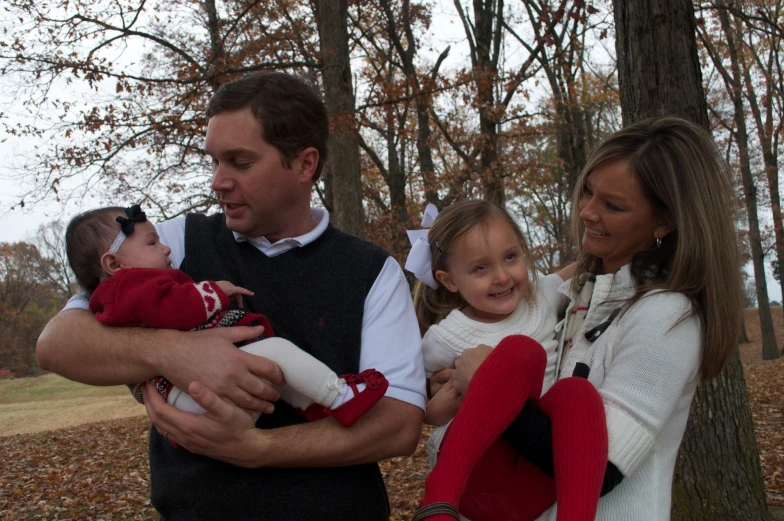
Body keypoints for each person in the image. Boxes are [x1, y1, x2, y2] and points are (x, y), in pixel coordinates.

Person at [36, 71, 425, 521]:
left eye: (239, 163)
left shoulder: (372, 272)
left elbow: (398, 426)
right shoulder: (173, 243)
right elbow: (56, 343)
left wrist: (255, 449)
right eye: (215, 161)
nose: (218, 181)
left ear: (304, 164)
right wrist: (176, 352)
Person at [433, 117, 743, 521]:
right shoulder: (577, 294)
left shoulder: (667, 317)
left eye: (612, 205)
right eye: (588, 191)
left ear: (665, 221)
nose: (587, 211)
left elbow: (604, 470)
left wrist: (488, 386)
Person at [65, 203, 389, 426]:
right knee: (276, 354)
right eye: (152, 243)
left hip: (187, 393)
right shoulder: (130, 287)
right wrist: (215, 291)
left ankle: (313, 405)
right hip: (189, 392)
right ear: (113, 264)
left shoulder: (117, 293)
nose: (166, 249)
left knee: (273, 371)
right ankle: (340, 395)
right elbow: (176, 309)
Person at [406, 200, 607, 521]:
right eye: (480, 268)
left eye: (511, 257)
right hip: (478, 473)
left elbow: (585, 265)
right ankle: (437, 501)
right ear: (450, 281)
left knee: (578, 394)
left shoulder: (540, 296)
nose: (502, 276)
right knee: (520, 353)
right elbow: (418, 402)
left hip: (534, 478)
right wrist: (436, 409)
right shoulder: (445, 337)